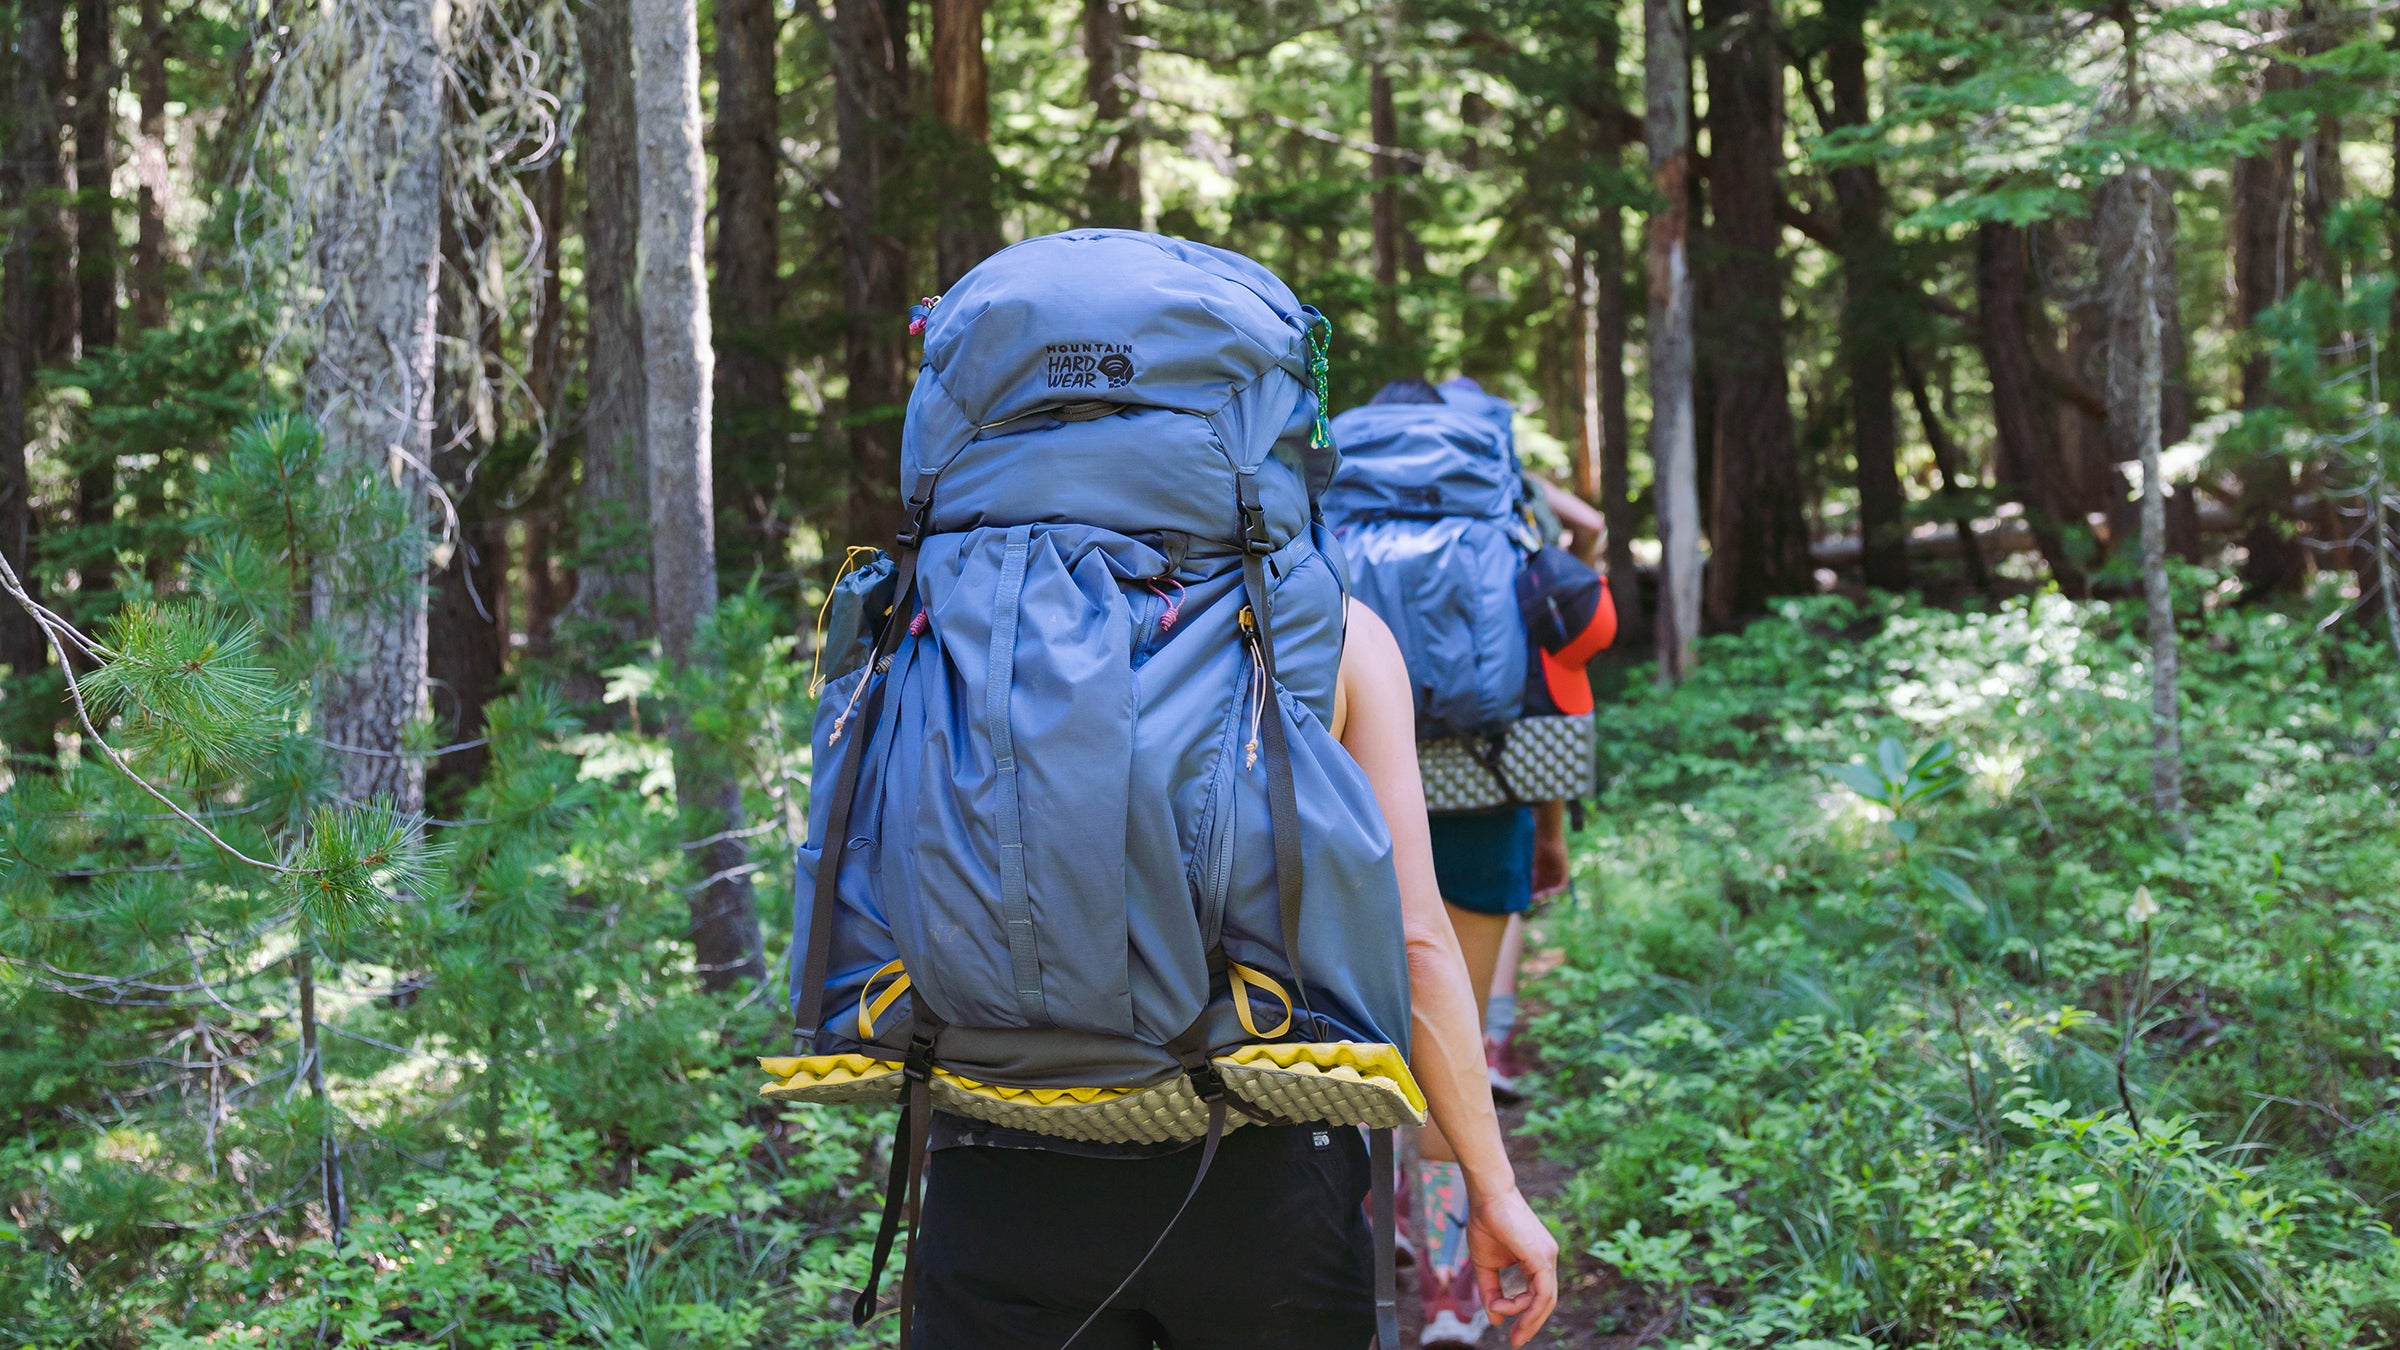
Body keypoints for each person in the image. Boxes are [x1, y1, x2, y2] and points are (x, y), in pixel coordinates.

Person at [913, 598, 1558, 1349]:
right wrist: (1494, 1186)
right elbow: (1414, 941)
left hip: (994, 1169)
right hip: (1264, 1170)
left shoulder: (951, 608)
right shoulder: (1332, 625)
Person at [1324, 378, 1613, 1346]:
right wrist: (1554, 830)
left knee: (1351, 1043)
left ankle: (1369, 1238)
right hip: (1486, 790)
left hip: (1348, 795)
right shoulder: (1507, 503)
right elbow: (1553, 680)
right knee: (1453, 1043)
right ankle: (1451, 1295)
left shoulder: (1334, 500)